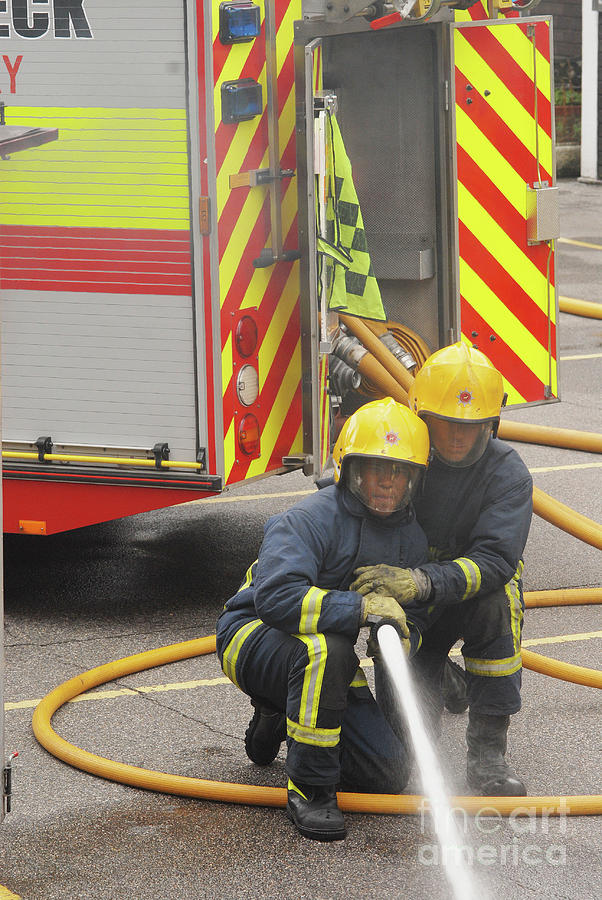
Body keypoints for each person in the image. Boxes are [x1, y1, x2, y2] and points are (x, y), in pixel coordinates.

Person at [216, 398, 431, 841]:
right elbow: (274, 599)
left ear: (415, 479)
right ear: (350, 470)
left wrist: (402, 638)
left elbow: (417, 618)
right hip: (253, 637)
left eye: (399, 472)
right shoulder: (307, 520)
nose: (386, 482)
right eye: (374, 469)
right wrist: (362, 609)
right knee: (326, 650)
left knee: (388, 775)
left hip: (323, 664)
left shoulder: (411, 540)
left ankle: (280, 711)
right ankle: (310, 790)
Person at [351, 342, 533, 796]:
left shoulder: (508, 476)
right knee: (404, 768)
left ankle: (488, 756)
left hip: (466, 597)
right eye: (447, 423)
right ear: (423, 415)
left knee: (499, 603)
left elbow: (494, 562)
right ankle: (440, 670)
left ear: (491, 424)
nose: (456, 436)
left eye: (470, 427)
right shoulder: (401, 454)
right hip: (408, 610)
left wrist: (421, 581)